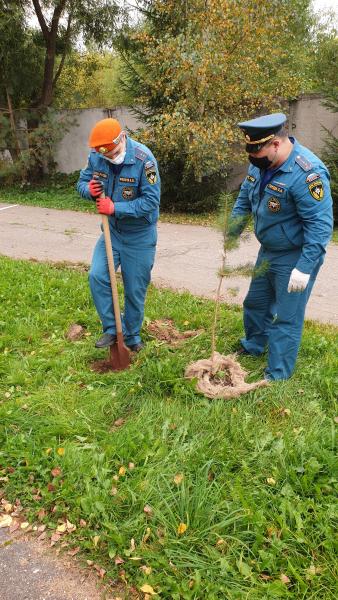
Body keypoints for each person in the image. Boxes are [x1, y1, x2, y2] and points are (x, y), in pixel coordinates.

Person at [229, 112, 333, 381]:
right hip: (269, 251)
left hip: (295, 256)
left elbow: (320, 227)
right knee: (256, 304)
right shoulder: (260, 164)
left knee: (286, 317)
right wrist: (231, 233)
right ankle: (254, 345)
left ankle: (277, 374)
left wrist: (305, 267)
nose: (254, 159)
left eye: (258, 151)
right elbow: (243, 200)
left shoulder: (307, 174)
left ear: (275, 144)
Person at [77, 118, 160, 352]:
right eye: (106, 155)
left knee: (134, 289)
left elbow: (151, 201)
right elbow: (82, 182)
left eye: (113, 153)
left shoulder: (145, 161)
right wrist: (89, 191)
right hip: (111, 233)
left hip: (140, 237)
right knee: (97, 276)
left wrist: (116, 208)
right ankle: (113, 329)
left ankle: (132, 337)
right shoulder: (96, 156)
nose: (110, 158)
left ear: (122, 137)